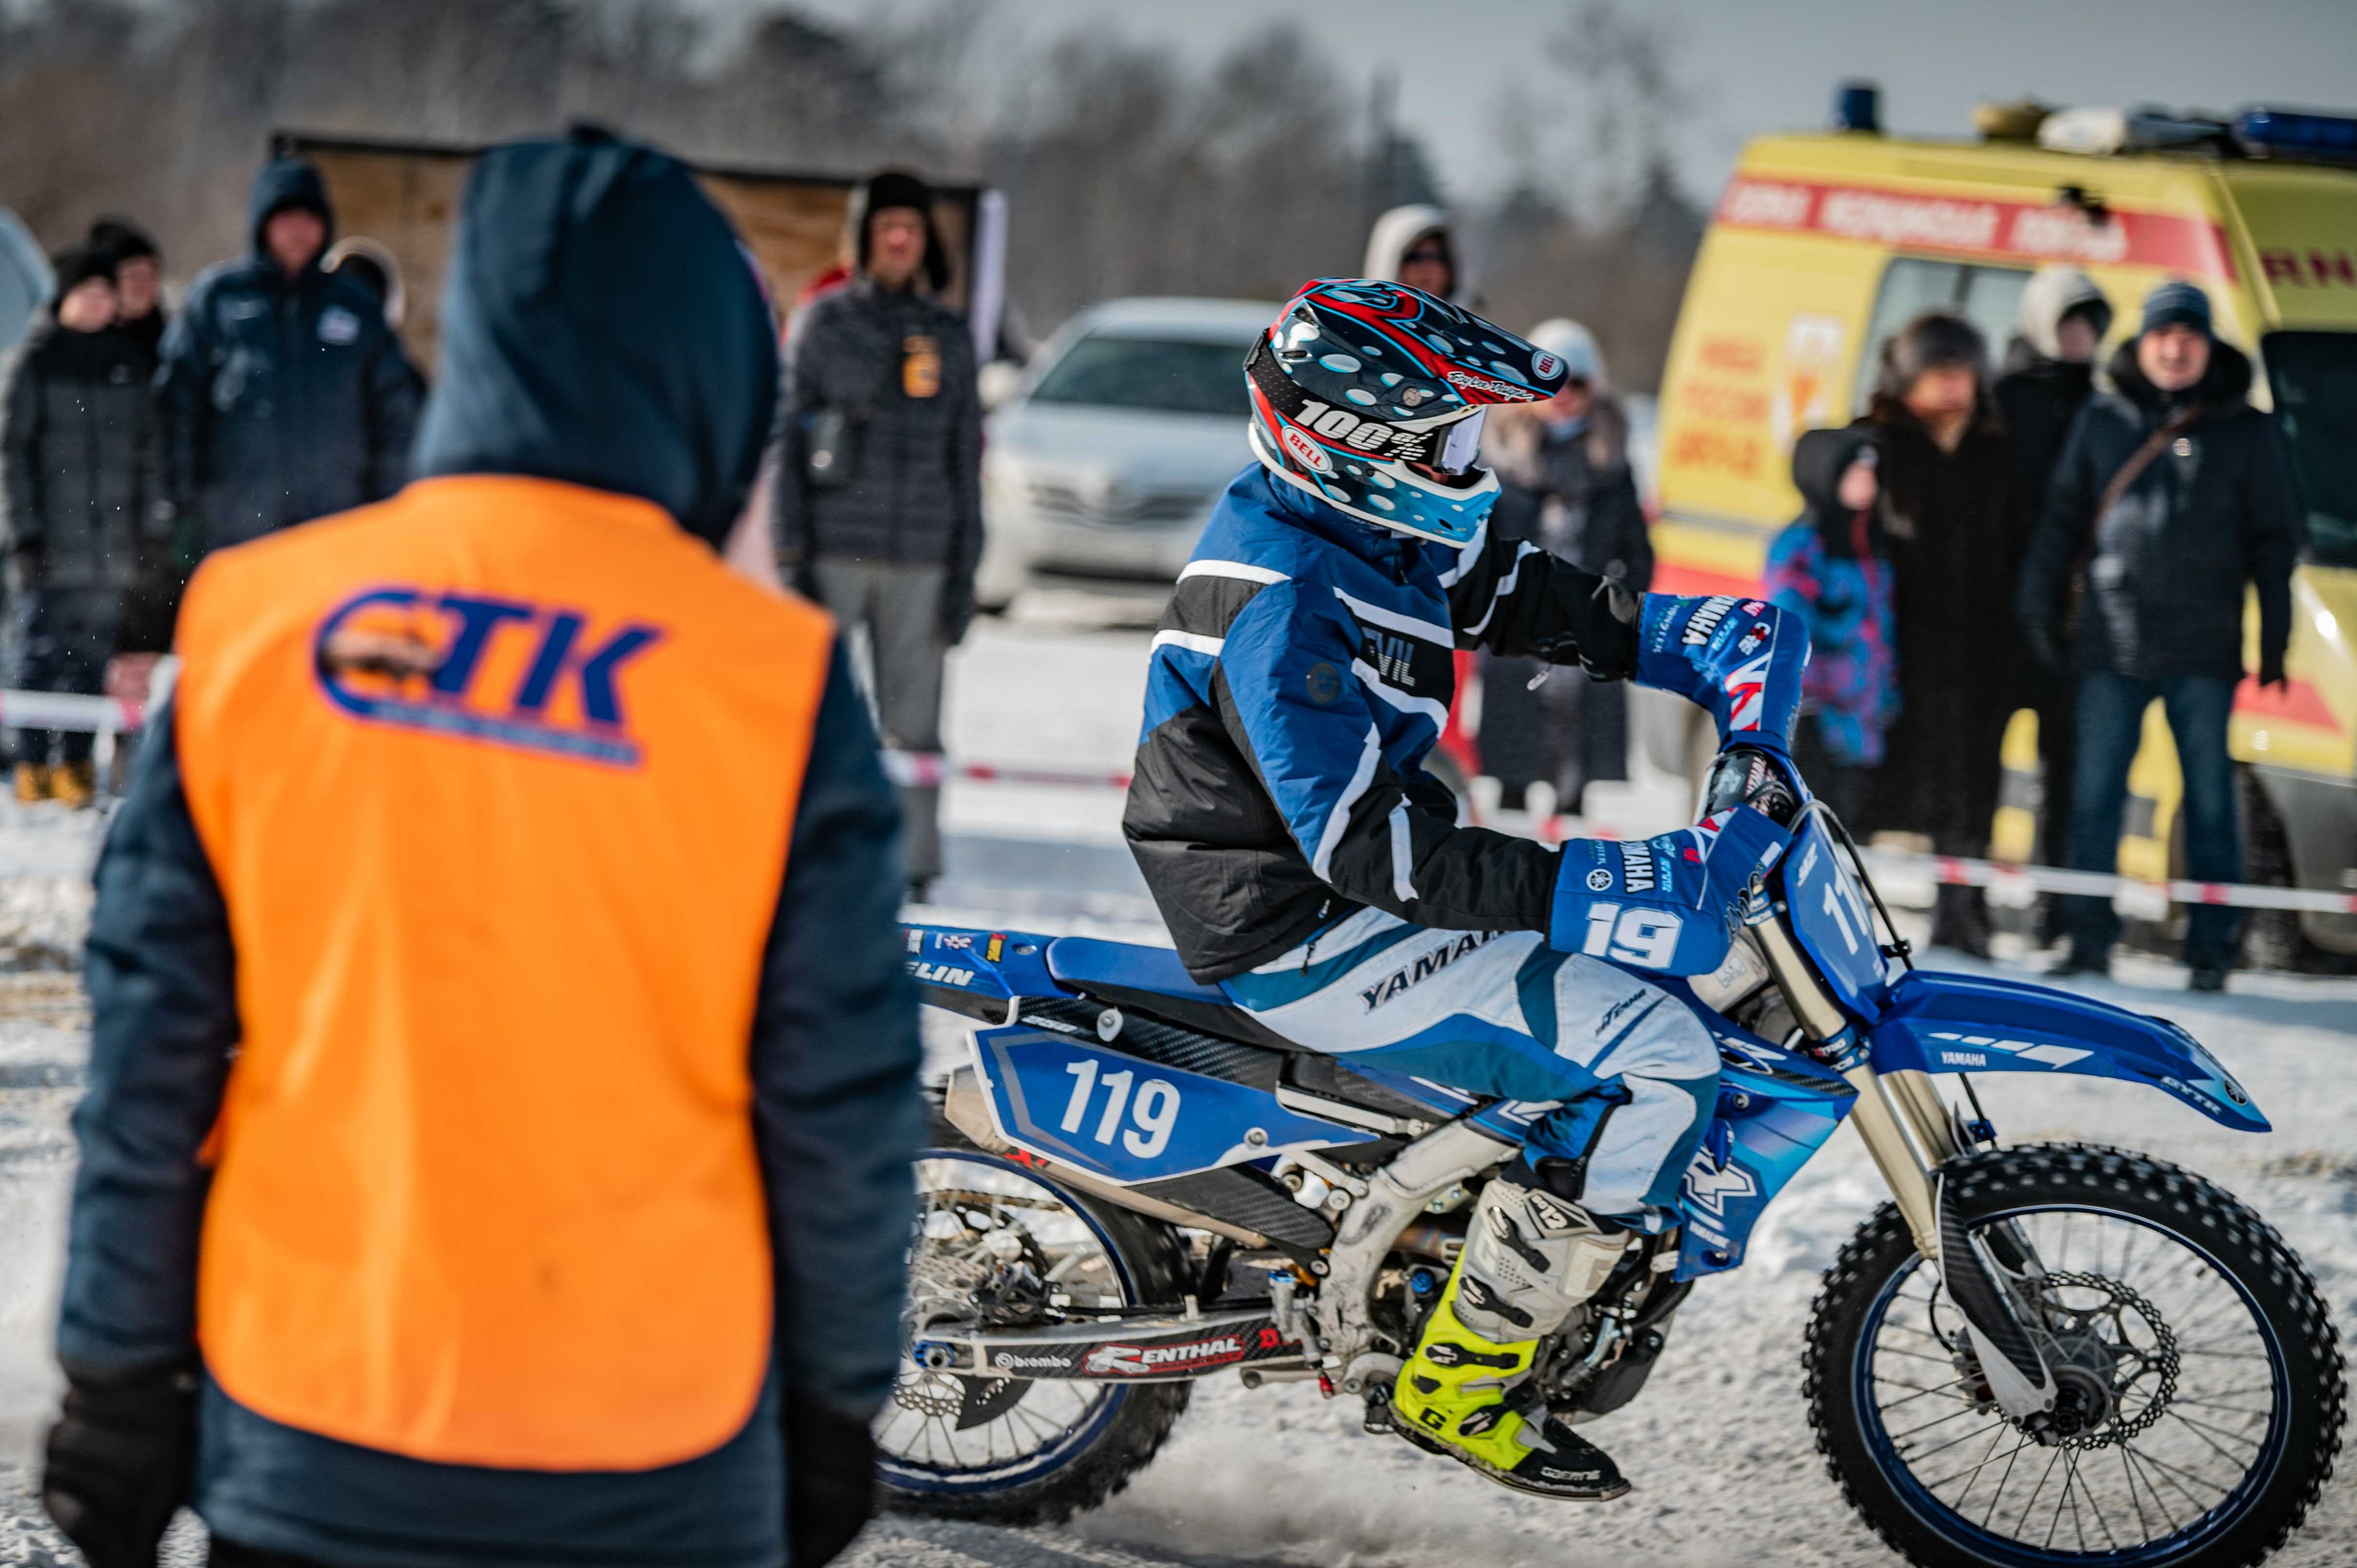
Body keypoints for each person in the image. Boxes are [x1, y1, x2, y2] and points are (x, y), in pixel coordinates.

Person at [42, 129, 923, 1568]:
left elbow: (152, 1047)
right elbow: (841, 1102)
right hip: (659, 1445)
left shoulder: (262, 619)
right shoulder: (770, 679)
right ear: (713, 375)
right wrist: (833, 1403)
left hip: (315, 1415)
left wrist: (117, 1370)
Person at [1124, 277, 1802, 1501]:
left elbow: (1511, 591)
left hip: (1357, 886)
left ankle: (1511, 1230)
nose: (1468, 458)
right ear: (1358, 443)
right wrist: (1596, 880)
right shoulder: (1282, 599)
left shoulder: (1371, 525)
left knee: (1638, 992)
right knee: (1659, 1054)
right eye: (1444, 436)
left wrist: (1682, 637)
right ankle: (1466, 1370)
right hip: (1304, 925)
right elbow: (1368, 853)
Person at [2016, 278, 2300, 990]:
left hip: (2203, 649)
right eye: (2162, 335)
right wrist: (2035, 607)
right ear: (2143, 344)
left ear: (2208, 345)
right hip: (2109, 642)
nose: (2175, 348)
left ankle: (2212, 949)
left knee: (2209, 801)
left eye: (2189, 336)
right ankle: (2088, 940)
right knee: (2094, 797)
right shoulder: (2104, 416)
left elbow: (2275, 539)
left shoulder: (2246, 427)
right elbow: (2061, 519)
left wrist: (2275, 637)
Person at [771, 168, 979, 902]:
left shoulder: (949, 337)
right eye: (887, 226)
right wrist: (788, 551)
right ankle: (800, 854)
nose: (899, 239)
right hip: (832, 550)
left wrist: (965, 567)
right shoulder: (824, 324)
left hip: (922, 555)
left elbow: (965, 457)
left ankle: (912, 867)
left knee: (914, 729)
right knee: (812, 712)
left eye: (912, 228)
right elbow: (784, 445)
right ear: (862, 237)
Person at [156, 157, 422, 563]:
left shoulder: (356, 308)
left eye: (308, 219)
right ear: (262, 224)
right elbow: (178, 405)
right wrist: (182, 503)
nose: (298, 231)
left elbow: (396, 415)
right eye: (286, 219)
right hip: (237, 530)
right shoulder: (218, 299)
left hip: (335, 528)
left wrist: (391, 504)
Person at [1862, 310, 2026, 958]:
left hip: (1982, 649)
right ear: (1907, 378)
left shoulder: (1996, 450)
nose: (1955, 387)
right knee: (1884, 790)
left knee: (1976, 786)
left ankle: (1965, 911)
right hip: (1902, 648)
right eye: (1940, 374)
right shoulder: (1878, 444)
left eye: (1964, 374)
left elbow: (2018, 543)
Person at [0, 244, 166, 807]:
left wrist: (148, 533)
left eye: (104, 294)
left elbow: (150, 455)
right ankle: (30, 762)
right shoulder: (38, 362)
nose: (97, 304)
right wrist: (23, 534)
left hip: (111, 553)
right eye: (86, 293)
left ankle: (73, 763)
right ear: (65, 300)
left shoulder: (129, 363)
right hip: (50, 548)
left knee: (92, 661)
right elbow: (13, 458)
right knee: (38, 655)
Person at [1479, 319, 1651, 813]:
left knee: (1578, 748)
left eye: (1576, 382)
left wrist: (1621, 605)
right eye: (1552, 383)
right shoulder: (1501, 453)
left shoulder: (1612, 460)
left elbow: (1636, 550)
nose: (1564, 396)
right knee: (1514, 760)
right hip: (1518, 615)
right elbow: (1477, 541)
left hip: (1586, 616)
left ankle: (1570, 834)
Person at [1996, 267, 2112, 910]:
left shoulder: (2106, 404)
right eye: (2067, 322)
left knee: (2066, 765)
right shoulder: (2005, 396)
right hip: (1999, 609)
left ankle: (2055, 901)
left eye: (2089, 326)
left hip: (2073, 613)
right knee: (1983, 764)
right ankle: (1967, 902)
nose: (2079, 337)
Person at [1765, 427, 1897, 829]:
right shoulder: (1801, 545)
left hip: (1862, 718)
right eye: (1855, 472)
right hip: (1815, 716)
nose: (1866, 484)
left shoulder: (1870, 545)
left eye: (1871, 474)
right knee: (1804, 827)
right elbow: (1789, 624)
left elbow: (1882, 628)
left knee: (1849, 831)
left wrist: (1888, 695)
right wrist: (1840, 635)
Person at [87, 217, 166, 359]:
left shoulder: (173, 337)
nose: (145, 285)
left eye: (152, 275)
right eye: (133, 276)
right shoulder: (82, 342)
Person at [1364, 203, 1466, 303]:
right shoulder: (1361, 318)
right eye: (1415, 257)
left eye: (1438, 257)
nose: (1427, 268)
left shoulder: (1473, 319)